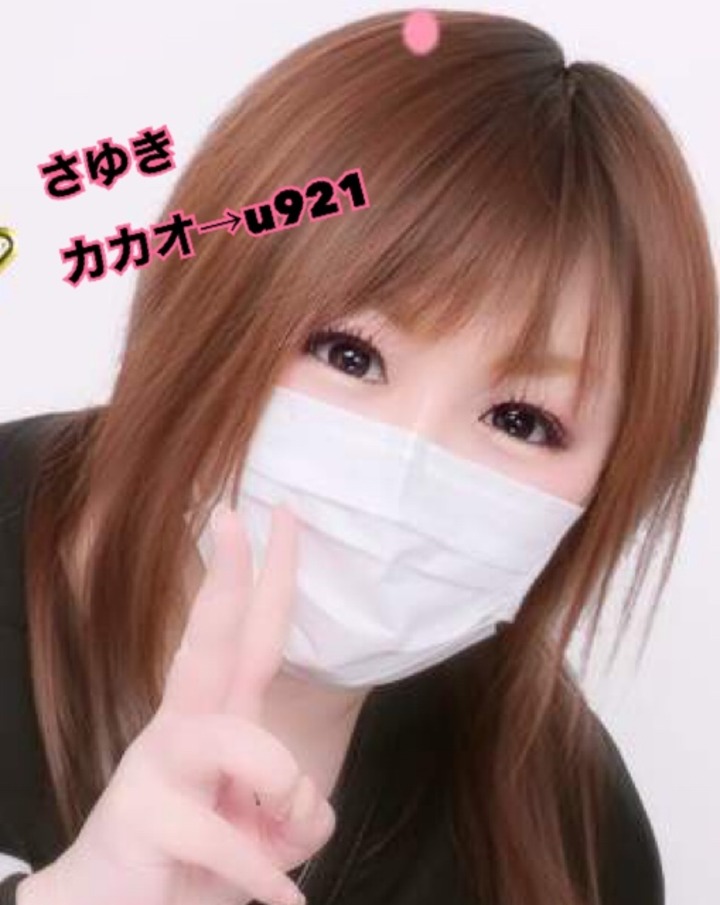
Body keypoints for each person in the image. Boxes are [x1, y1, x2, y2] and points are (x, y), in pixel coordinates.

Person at [0, 8, 716, 905]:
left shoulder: (575, 840)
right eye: (348, 353)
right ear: (211, 299)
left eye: (522, 419)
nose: (402, 462)